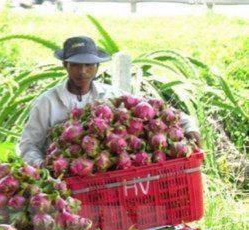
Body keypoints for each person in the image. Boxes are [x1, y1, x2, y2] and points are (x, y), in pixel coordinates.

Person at [19, 36, 201, 167]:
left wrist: (190, 127)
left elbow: (155, 109)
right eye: (75, 65)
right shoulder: (47, 103)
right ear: (65, 65)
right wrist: (43, 166)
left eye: (89, 65)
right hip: (64, 180)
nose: (83, 71)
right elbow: (28, 145)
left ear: (97, 67)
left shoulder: (112, 95)